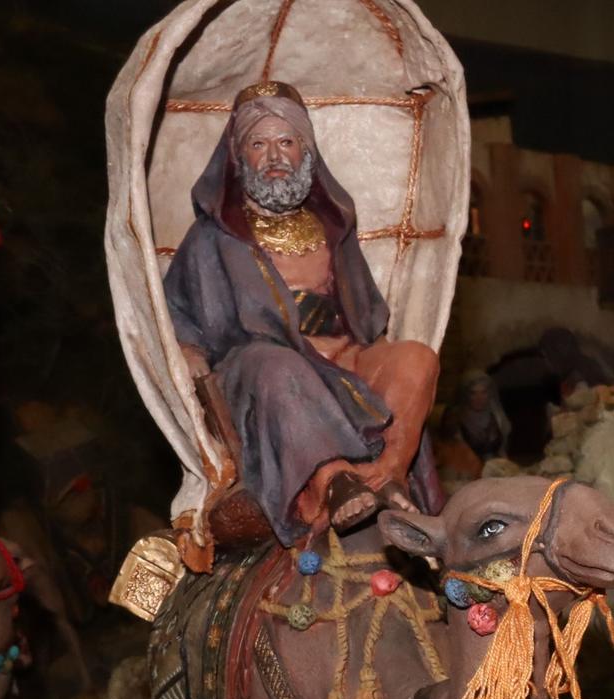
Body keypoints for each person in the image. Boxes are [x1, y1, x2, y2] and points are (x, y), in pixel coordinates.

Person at [164, 79, 440, 544]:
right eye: (259, 143)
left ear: (305, 152)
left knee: (417, 358)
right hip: (260, 369)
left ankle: (386, 472)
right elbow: (178, 313)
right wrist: (188, 350)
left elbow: (368, 317)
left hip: (343, 360)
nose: (274, 156)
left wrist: (373, 352)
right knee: (277, 365)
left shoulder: (333, 226)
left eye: (286, 141)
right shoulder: (213, 237)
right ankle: (331, 481)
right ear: (238, 157)